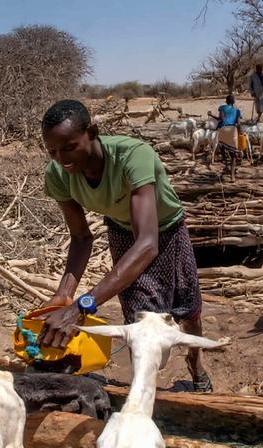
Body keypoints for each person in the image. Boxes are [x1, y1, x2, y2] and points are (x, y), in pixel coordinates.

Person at [38, 99, 214, 392]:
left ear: (92, 132)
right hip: (122, 233)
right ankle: (142, 394)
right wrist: (63, 295)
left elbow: (147, 243)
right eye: (53, 151)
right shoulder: (58, 175)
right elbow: (81, 237)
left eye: (69, 147)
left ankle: (196, 365)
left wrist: (82, 307)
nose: (61, 158)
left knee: (189, 312)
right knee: (139, 322)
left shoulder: (133, 156)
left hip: (167, 229)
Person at [207, 94, 243, 181]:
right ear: (233, 102)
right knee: (234, 154)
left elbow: (220, 119)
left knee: (222, 147)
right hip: (232, 130)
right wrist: (240, 132)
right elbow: (238, 123)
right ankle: (232, 176)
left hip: (223, 129)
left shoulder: (222, 108)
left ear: (226, 101)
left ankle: (226, 164)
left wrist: (211, 115)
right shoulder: (237, 111)